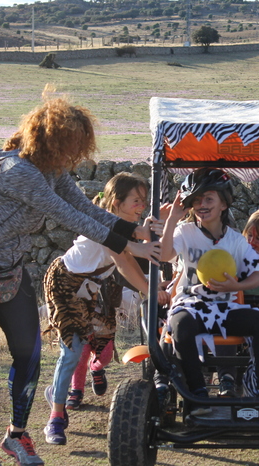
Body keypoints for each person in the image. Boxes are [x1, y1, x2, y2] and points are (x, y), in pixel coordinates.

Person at [0, 86, 160, 466]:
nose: (76, 155)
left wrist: (139, 231)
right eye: (72, 145)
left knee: (29, 355)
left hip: (9, 269)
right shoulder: (17, 172)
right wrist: (129, 237)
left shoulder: (52, 171)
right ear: (53, 141)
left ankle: (16, 438)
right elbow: (69, 217)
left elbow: (85, 208)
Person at [42, 172, 161, 445]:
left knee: (98, 344)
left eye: (144, 200)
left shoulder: (124, 227)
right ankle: (56, 418)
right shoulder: (102, 224)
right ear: (116, 201)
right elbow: (123, 263)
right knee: (72, 350)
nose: (142, 206)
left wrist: (152, 287)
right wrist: (150, 290)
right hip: (64, 284)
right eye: (136, 200)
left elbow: (135, 256)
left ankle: (63, 391)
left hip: (89, 289)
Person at [159, 168, 259, 415]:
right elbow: (164, 255)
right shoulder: (184, 231)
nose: (202, 205)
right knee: (180, 326)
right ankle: (197, 394)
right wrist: (171, 219)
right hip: (191, 305)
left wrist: (237, 286)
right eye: (197, 200)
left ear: (224, 203)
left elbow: (256, 275)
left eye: (209, 199)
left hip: (226, 307)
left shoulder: (235, 241)